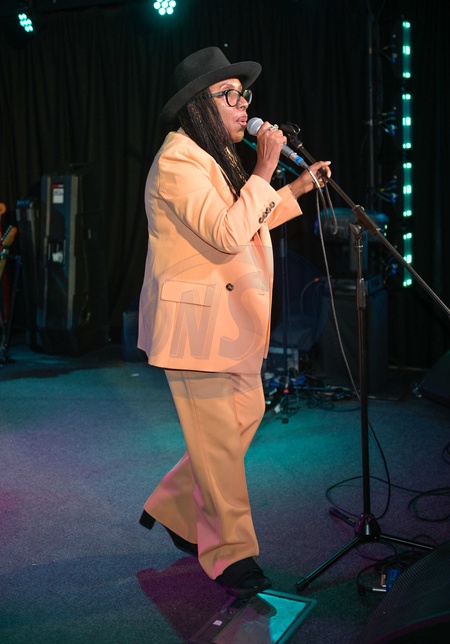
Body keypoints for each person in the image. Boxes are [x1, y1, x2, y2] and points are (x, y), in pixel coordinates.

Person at [137, 46, 331, 599]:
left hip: (228, 324)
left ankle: (177, 508)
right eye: (231, 95)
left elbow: (246, 221)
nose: (245, 105)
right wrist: (265, 167)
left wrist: (295, 188)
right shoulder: (178, 160)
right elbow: (227, 233)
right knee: (219, 445)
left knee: (246, 414)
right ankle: (231, 557)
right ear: (198, 105)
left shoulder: (212, 157)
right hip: (195, 329)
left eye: (245, 94)